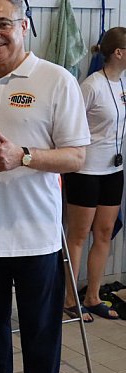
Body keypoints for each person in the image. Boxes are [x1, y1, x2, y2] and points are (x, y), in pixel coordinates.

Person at [0, 0, 91, 373]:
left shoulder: (56, 80)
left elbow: (77, 157)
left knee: (40, 334)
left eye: (3, 23)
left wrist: (25, 156)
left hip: (36, 237)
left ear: (24, 25)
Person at [63, 27, 126, 322]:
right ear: (119, 53)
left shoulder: (122, 83)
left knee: (104, 233)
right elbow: (70, 125)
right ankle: (69, 299)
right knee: (77, 236)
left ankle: (93, 296)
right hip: (86, 171)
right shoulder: (91, 86)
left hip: (113, 170)